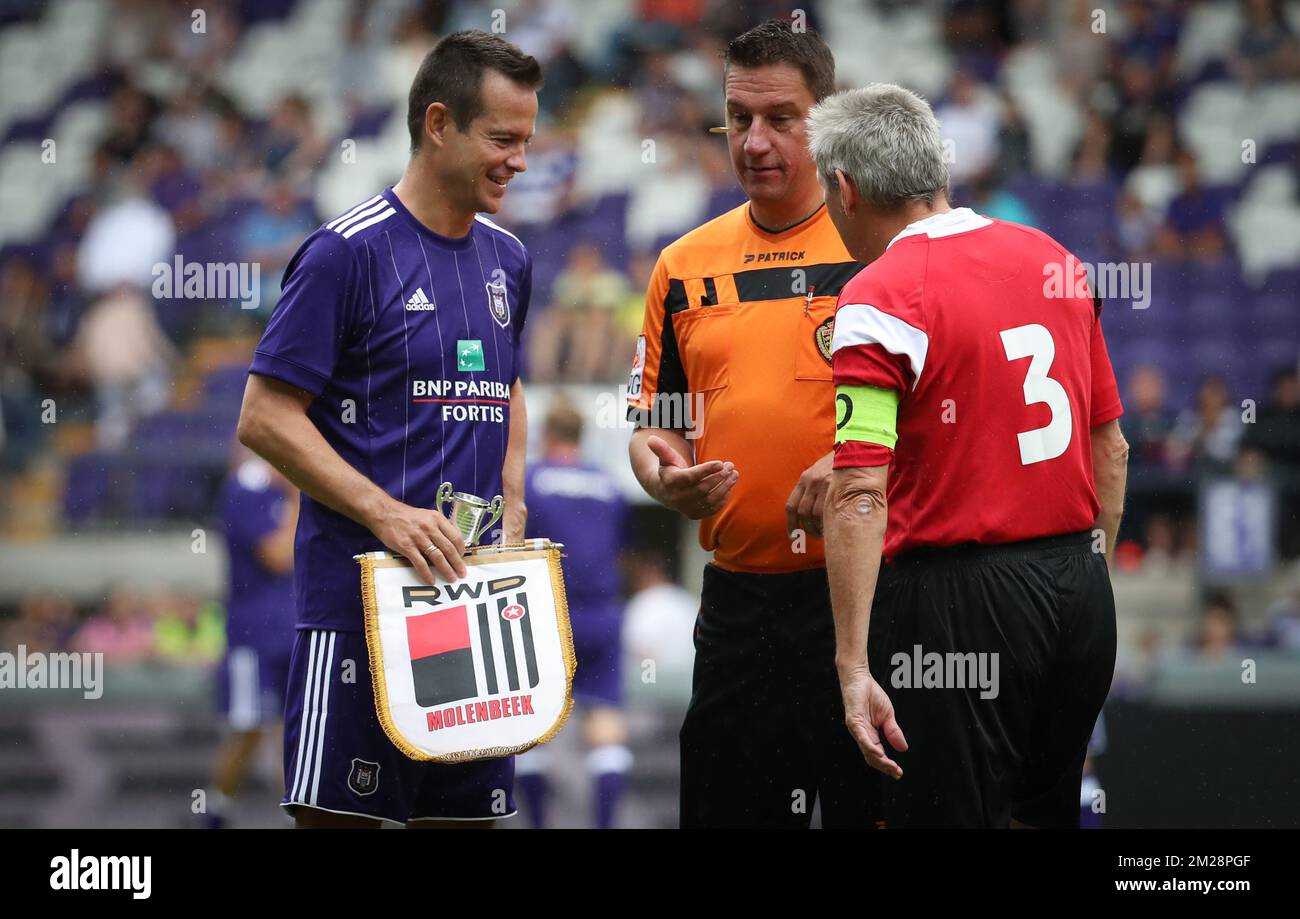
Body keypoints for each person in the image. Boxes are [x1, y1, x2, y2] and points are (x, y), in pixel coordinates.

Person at [236, 31, 541, 829]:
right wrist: (387, 513)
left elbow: (506, 387)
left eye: (526, 142)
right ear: (438, 123)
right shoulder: (346, 252)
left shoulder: (509, 259)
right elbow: (264, 418)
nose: (519, 161)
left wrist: (512, 508)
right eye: (502, 139)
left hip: (472, 619)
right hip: (357, 619)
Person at [809, 83, 1130, 827]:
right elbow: (1109, 447)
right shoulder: (1052, 256)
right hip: (1079, 590)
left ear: (846, 189)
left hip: (963, 602)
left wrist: (852, 666)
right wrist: (1090, 581)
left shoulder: (879, 294)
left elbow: (859, 488)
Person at [626, 18, 877, 829]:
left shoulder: (879, 252)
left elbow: (942, 417)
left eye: (781, 119)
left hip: (864, 603)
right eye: (739, 119)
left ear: (827, 122)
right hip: (736, 610)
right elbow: (655, 424)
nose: (754, 141)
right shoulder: (683, 265)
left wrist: (851, 461)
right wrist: (664, 474)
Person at [515, 395, 630, 828]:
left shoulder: (530, 479)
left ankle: (539, 822)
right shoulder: (610, 485)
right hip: (602, 614)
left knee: (531, 726)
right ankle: (604, 823)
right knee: (605, 721)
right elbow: (621, 550)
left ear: (547, 435)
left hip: (544, 614)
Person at [204, 452, 298, 829]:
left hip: (290, 629)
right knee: (248, 727)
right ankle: (215, 814)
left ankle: (300, 815)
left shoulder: (274, 488)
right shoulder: (246, 489)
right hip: (254, 635)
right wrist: (298, 493)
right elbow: (278, 555)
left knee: (291, 729)